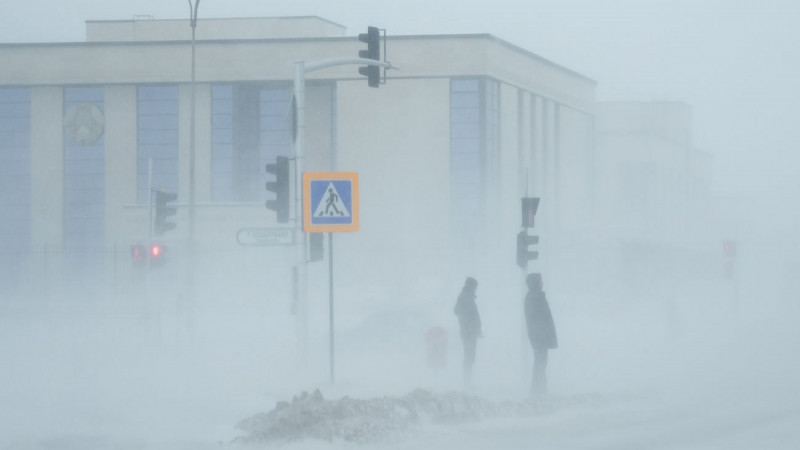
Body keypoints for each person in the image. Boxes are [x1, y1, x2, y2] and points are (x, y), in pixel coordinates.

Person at [524, 273, 557, 396]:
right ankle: (539, 391)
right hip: (540, 337)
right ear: (535, 283)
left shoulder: (534, 297)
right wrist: (542, 334)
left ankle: (539, 389)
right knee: (540, 363)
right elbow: (537, 319)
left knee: (541, 363)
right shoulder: (535, 297)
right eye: (540, 281)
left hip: (539, 336)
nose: (542, 283)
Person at [453, 276, 482, 382]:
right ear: (472, 287)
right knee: (469, 357)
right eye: (475, 287)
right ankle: (467, 382)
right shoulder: (466, 297)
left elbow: (458, 311)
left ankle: (467, 380)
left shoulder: (466, 297)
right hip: (469, 332)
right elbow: (458, 311)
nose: (476, 289)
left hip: (469, 332)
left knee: (470, 357)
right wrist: (469, 327)